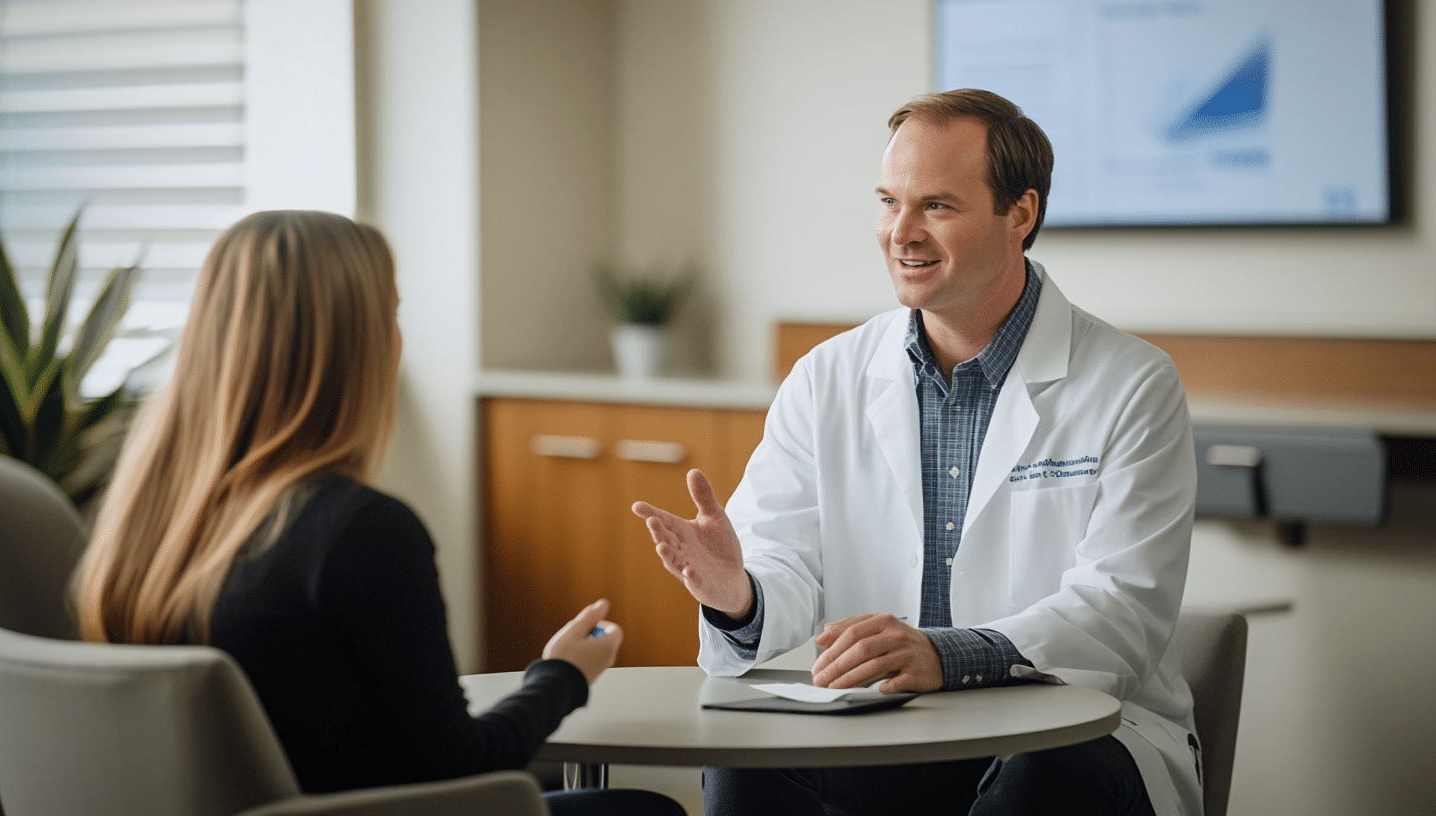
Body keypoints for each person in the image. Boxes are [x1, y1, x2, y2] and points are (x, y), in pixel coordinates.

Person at [632, 90, 1200, 816]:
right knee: (747, 763)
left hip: (1068, 730)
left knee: (1049, 775)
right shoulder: (827, 377)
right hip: (878, 727)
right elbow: (787, 567)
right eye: (888, 202)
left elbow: (1122, 611)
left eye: (937, 205)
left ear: (1019, 214)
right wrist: (741, 596)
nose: (901, 232)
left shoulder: (1130, 383)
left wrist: (949, 655)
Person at [74, 210, 684, 816]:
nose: (398, 337)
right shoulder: (361, 531)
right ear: (354, 346)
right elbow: (461, 767)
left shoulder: (145, 524)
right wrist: (563, 677)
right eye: (390, 314)